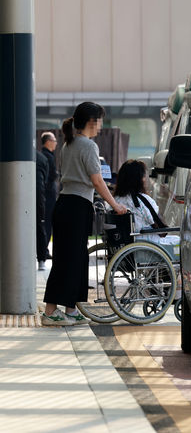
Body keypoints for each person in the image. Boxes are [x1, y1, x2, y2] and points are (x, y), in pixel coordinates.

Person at [42, 102, 127, 326]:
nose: (100, 125)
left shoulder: (68, 144)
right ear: (91, 121)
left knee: (73, 258)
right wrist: (115, 205)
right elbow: (97, 181)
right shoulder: (88, 146)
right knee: (69, 260)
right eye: (99, 120)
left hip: (65, 204)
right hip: (77, 207)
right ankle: (50, 312)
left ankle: (70, 311)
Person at [113, 159, 180, 248]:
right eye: (144, 176)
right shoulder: (143, 200)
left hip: (124, 245)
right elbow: (158, 225)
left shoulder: (116, 200)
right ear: (139, 179)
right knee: (180, 241)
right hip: (147, 245)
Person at [39, 132, 58, 262]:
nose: (56, 143)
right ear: (48, 141)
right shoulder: (47, 157)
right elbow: (52, 176)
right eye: (54, 140)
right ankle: (43, 250)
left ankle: (43, 249)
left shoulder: (44, 155)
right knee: (46, 222)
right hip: (48, 196)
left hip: (45, 195)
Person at [36, 150, 49, 271]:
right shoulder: (42, 158)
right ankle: (41, 260)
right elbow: (46, 179)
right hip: (39, 197)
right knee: (40, 226)